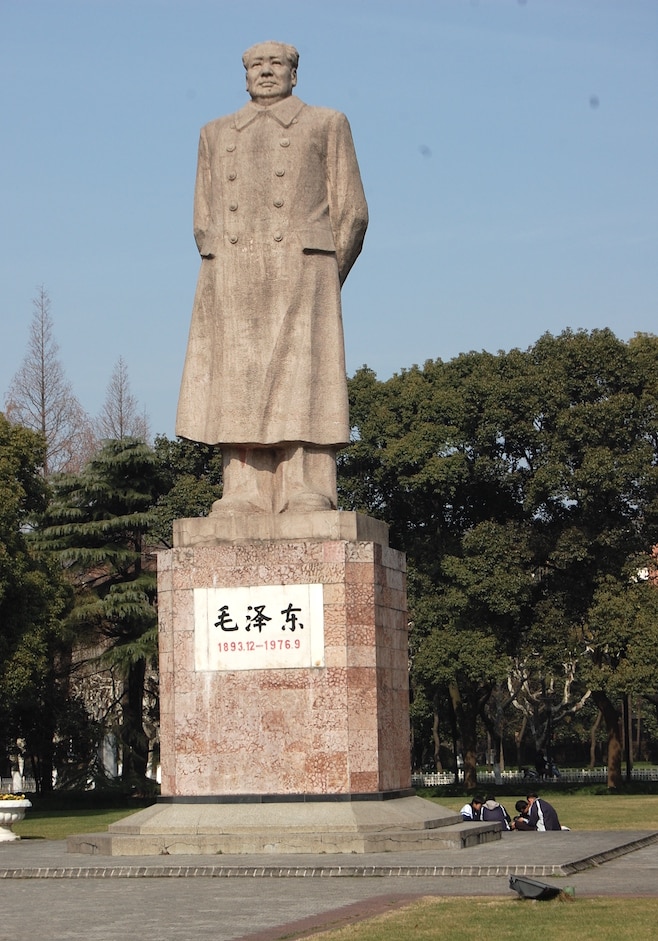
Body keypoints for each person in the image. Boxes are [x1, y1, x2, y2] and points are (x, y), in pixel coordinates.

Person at [176, 41, 368, 515]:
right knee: (237, 381)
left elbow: (353, 213)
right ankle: (242, 489)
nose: (266, 72)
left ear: (294, 74)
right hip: (236, 279)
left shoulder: (327, 123)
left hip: (305, 269)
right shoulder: (216, 133)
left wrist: (323, 273)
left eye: (276, 64)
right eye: (256, 65)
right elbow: (203, 219)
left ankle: (308, 487)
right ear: (244, 76)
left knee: (303, 381)